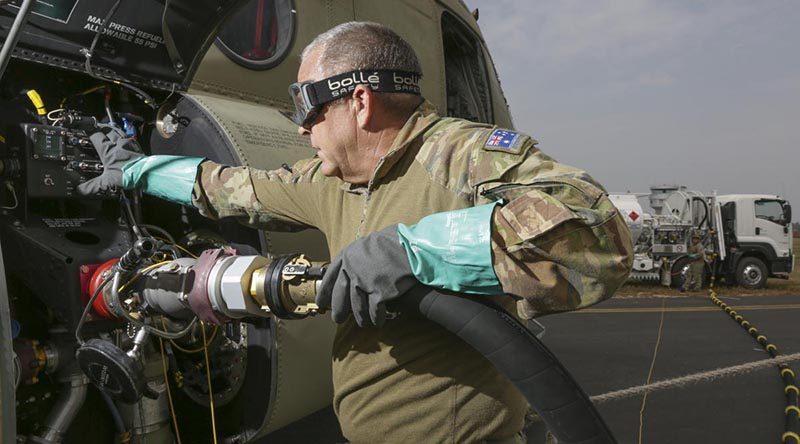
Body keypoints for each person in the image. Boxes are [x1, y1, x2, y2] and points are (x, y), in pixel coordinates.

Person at [79, 22, 632, 444]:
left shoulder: (460, 155)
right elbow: (234, 188)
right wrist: (135, 170)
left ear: (359, 101)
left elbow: (596, 235)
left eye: (305, 105)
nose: (300, 127)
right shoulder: (332, 179)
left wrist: (414, 249)